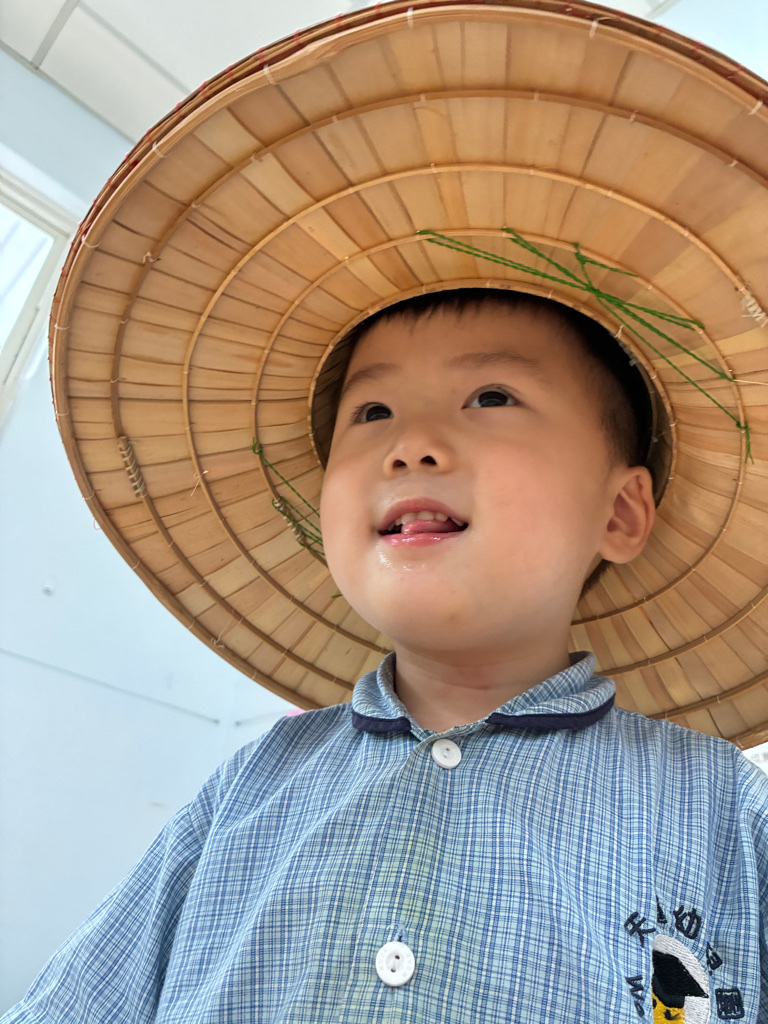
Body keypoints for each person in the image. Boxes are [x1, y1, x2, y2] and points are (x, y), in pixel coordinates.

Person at [5, 1, 768, 1020]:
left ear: (622, 514)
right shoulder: (248, 789)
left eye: (490, 395)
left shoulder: (728, 812)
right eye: (370, 413)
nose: (410, 444)